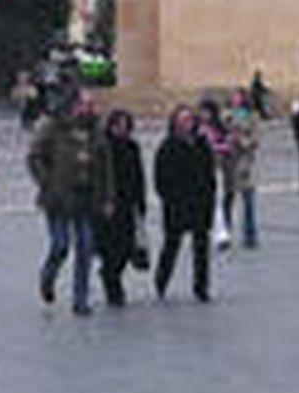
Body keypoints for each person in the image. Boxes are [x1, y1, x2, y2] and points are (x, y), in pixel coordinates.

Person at [27, 90, 114, 315]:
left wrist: (108, 198)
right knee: (61, 245)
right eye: (84, 104)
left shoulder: (97, 131)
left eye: (91, 104)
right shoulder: (54, 127)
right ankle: (48, 276)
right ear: (73, 106)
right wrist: (47, 181)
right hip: (58, 198)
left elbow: (106, 168)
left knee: (85, 249)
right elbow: (34, 156)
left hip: (86, 197)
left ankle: (80, 299)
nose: (88, 108)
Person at [153, 104, 217, 302]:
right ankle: (161, 280)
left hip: (200, 203)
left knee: (201, 248)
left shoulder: (201, 144)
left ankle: (201, 287)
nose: (186, 124)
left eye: (189, 119)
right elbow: (160, 179)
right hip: (177, 204)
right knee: (171, 245)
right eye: (182, 120)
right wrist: (170, 198)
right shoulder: (167, 147)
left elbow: (209, 173)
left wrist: (210, 196)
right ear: (174, 123)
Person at [95, 108, 146, 307]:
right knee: (110, 248)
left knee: (126, 248)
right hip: (108, 203)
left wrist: (140, 201)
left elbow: (139, 175)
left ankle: (110, 273)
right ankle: (112, 285)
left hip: (127, 203)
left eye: (125, 125)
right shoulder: (103, 146)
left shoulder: (133, 146)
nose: (122, 129)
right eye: (118, 125)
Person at [197, 97, 235, 247]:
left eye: (206, 112)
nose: (203, 115)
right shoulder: (196, 128)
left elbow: (228, 146)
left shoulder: (220, 128)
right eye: (202, 112)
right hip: (198, 172)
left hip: (215, 169)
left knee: (217, 202)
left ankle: (222, 235)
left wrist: (214, 148)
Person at [228, 90, 261, 248]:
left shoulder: (252, 117)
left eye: (237, 96)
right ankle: (224, 234)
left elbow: (255, 139)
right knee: (226, 201)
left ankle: (250, 235)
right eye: (233, 97)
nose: (234, 99)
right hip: (228, 163)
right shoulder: (227, 116)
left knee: (248, 200)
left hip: (245, 162)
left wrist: (240, 140)